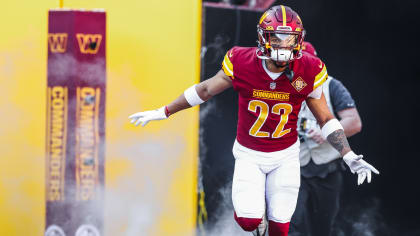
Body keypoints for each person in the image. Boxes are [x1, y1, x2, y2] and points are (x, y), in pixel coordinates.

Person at [129, 5, 379, 236]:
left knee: (281, 229)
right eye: (276, 38)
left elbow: (325, 117)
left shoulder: (306, 70)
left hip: (286, 156)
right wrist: (164, 111)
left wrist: (347, 155)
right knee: (248, 220)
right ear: (263, 38)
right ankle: (257, 223)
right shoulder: (243, 62)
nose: (282, 46)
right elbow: (205, 90)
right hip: (250, 153)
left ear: (299, 40)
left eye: (289, 39)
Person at [289, 41, 362, 236]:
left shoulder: (332, 85)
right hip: (292, 167)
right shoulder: (281, 86)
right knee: (291, 224)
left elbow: (354, 122)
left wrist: (327, 132)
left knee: (322, 227)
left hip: (327, 168)